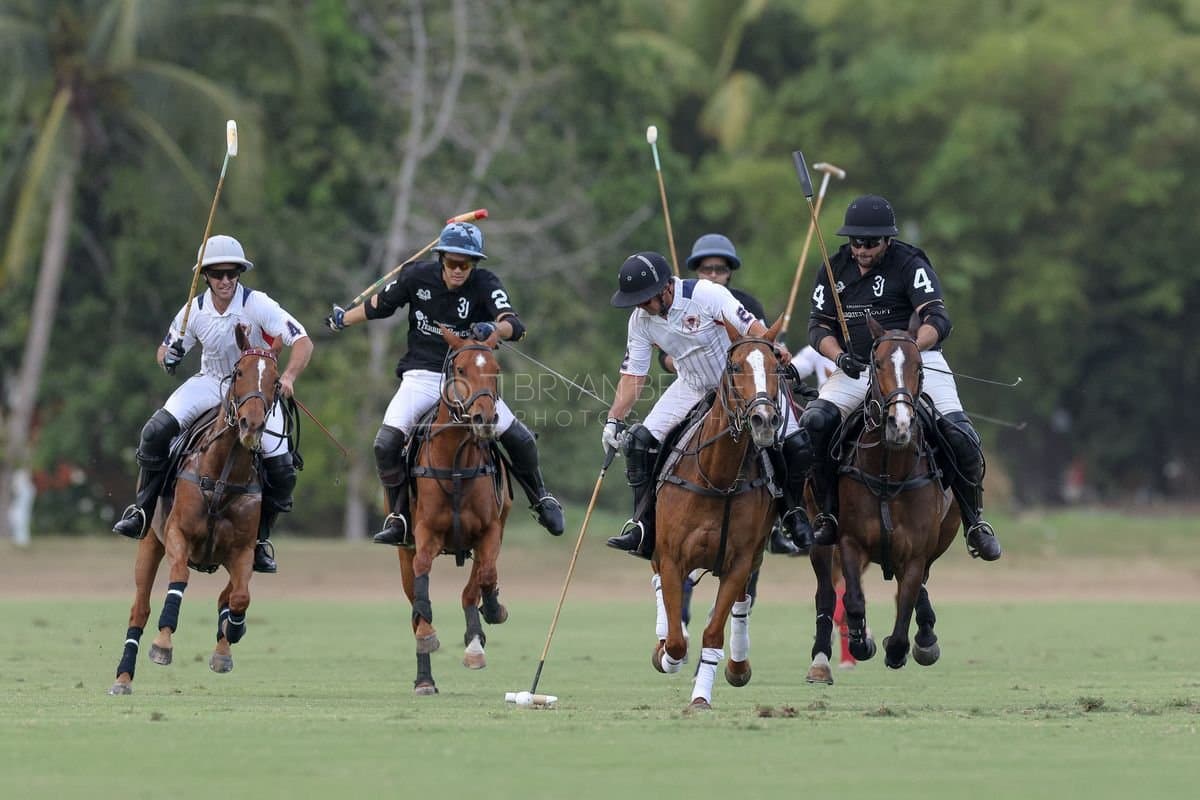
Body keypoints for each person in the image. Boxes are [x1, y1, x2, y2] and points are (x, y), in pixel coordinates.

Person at [324, 221, 564, 545]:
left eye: (465, 264)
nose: (458, 270)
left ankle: (541, 498)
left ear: (474, 264)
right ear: (441, 260)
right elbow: (380, 305)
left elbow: (514, 324)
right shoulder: (415, 276)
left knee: (519, 437)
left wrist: (492, 328)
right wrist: (343, 319)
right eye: (452, 263)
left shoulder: (484, 283)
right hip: (422, 376)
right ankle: (398, 517)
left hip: (468, 381)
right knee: (385, 443)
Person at [801, 195, 1001, 561]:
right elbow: (818, 327)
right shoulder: (833, 269)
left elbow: (938, 319)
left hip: (915, 363)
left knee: (961, 435)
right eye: (856, 242)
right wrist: (839, 356)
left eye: (870, 243)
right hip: (858, 368)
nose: (861, 250)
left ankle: (974, 521)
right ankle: (825, 512)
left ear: (887, 241)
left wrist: (908, 347)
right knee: (813, 424)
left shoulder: (910, 263)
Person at [112, 235, 313, 574]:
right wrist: (170, 357)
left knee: (282, 467)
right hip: (211, 383)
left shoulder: (257, 303)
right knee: (155, 432)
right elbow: (164, 351)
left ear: (239, 274)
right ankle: (142, 511)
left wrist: (289, 377)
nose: (225, 281)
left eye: (232, 273)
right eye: (217, 274)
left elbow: (303, 342)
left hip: (255, 392)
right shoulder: (194, 309)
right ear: (205, 275)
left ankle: (261, 539)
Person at [602, 250, 810, 559]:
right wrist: (613, 419)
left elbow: (751, 327)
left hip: (742, 385)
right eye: (637, 301)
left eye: (646, 298)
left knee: (796, 444)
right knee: (638, 443)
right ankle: (644, 527)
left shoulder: (707, 294)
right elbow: (634, 376)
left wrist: (773, 347)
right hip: (693, 385)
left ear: (665, 288)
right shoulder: (640, 322)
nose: (642, 306)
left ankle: (792, 514)